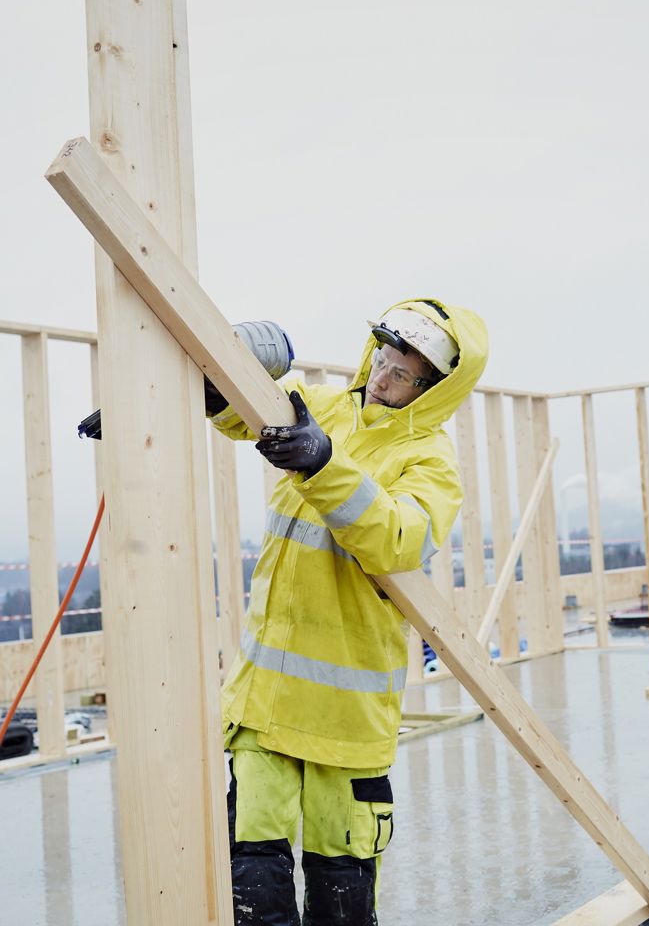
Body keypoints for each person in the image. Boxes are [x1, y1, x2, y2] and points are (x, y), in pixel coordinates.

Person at [208, 298, 487, 926]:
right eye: (384, 358)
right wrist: (179, 391)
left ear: (437, 389)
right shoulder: (324, 407)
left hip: (348, 720)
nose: (385, 377)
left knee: (342, 893)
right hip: (266, 702)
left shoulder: (430, 463)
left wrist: (324, 464)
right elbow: (238, 408)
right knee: (256, 886)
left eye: (405, 373)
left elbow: (397, 537)